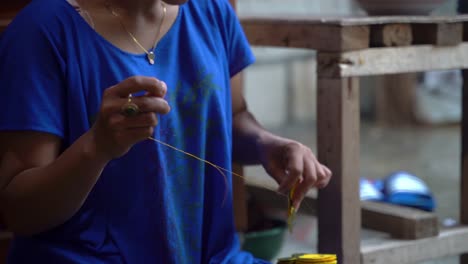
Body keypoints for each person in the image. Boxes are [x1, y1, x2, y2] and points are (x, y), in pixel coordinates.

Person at [0, 0, 332, 263]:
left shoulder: (212, 11)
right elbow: (20, 212)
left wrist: (269, 146)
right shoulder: (43, 31)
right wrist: (96, 148)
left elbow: (232, 116)